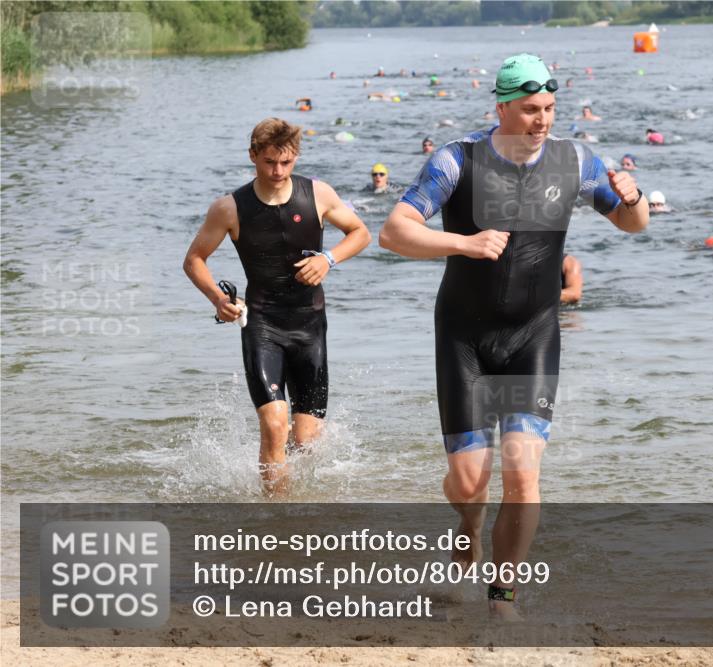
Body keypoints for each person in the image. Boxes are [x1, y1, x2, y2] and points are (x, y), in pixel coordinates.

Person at [379, 53, 648, 619]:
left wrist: (633, 198)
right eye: (529, 109)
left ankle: (503, 599)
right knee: (468, 484)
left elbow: (633, 225)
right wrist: (465, 243)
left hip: (534, 335)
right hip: (465, 339)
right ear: (500, 107)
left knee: (523, 476)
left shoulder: (575, 160)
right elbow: (394, 232)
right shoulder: (457, 160)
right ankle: (467, 528)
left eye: (549, 107)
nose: (542, 119)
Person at [183, 118, 371, 495]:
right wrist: (219, 299)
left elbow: (361, 233)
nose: (278, 172)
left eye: (286, 162)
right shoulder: (229, 208)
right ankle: (276, 516)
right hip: (262, 325)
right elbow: (194, 260)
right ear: (253, 155)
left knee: (306, 441)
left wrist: (328, 259)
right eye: (269, 162)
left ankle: (293, 498)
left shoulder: (318, 194)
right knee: (273, 425)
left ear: (296, 156)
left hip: (310, 325)